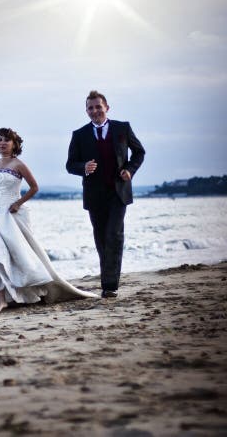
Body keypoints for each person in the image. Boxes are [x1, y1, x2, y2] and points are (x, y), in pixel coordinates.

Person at [0, 128, 98, 313]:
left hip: (13, 214)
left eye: (7, 140)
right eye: (0, 140)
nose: (3, 143)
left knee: (21, 255)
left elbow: (34, 187)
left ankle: (36, 290)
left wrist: (18, 203)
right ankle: (1, 299)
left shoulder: (19, 165)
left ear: (14, 144)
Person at [66, 90, 145, 298]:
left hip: (118, 193)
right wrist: (84, 166)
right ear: (86, 111)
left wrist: (130, 170)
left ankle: (110, 285)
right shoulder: (79, 135)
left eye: (98, 107)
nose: (95, 111)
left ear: (107, 108)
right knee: (101, 238)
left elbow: (139, 152)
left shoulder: (122, 128)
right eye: (90, 108)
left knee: (114, 235)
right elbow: (69, 164)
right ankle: (107, 280)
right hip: (94, 196)